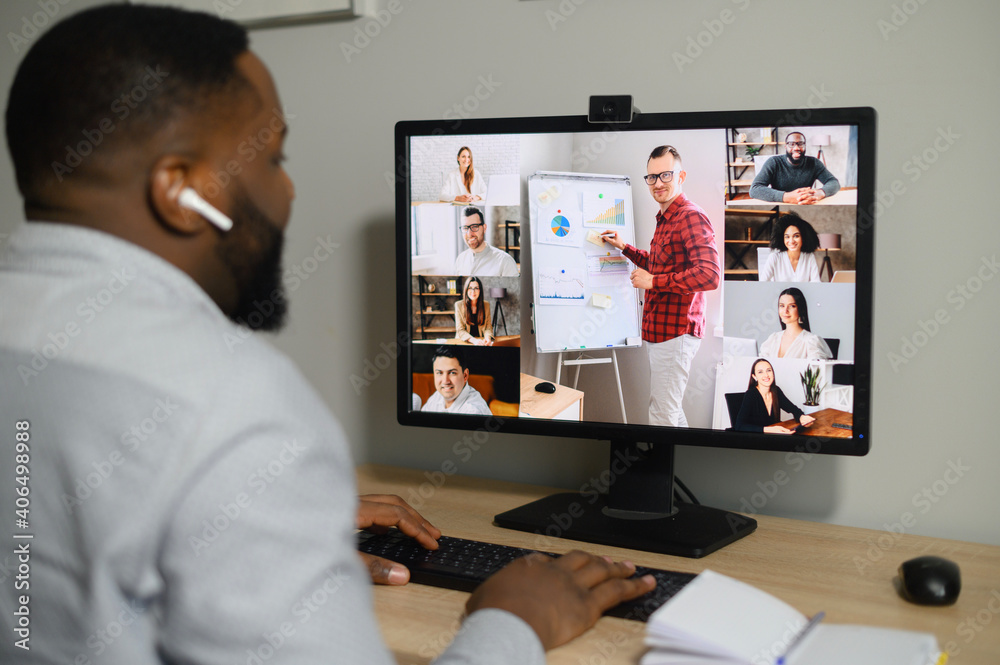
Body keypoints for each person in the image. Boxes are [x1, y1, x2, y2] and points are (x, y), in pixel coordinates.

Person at [0, 6, 654, 665]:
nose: (286, 191)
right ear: (181, 189)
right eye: (271, 157)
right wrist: (513, 620)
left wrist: (248, 518)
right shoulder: (233, 406)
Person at [602, 145, 721, 427]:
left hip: (676, 332)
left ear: (681, 176)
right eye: (652, 177)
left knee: (661, 415)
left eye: (666, 175)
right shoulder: (666, 218)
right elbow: (660, 265)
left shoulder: (690, 215)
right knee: (670, 411)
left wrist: (653, 282)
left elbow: (709, 275)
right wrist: (625, 248)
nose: (658, 183)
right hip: (660, 332)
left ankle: (660, 469)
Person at [749, 132, 841, 204]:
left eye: (800, 144)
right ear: (785, 147)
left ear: (805, 146)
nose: (796, 148)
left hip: (806, 206)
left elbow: (833, 182)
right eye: (791, 144)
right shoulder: (773, 162)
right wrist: (787, 197)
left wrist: (820, 193)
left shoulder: (814, 163)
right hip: (780, 206)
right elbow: (755, 189)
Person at [734, 359, 816, 434]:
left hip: (773, 437)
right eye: (760, 372)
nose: (766, 375)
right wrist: (769, 429)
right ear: (754, 377)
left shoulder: (776, 391)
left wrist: (802, 417)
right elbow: (739, 426)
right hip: (756, 439)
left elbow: (793, 409)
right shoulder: (751, 394)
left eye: (769, 370)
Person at [759, 288, 833, 359]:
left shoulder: (811, 341)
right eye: (782, 306)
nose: (785, 311)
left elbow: (816, 370)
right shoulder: (773, 339)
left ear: (800, 309)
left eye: (792, 306)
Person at [421, 347, 493, 415]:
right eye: (439, 373)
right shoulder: (437, 396)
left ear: (465, 375)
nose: (445, 381)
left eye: (452, 373)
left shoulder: (473, 411)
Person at [453, 206, 519, 276]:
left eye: (474, 227)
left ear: (484, 228)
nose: (469, 234)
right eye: (465, 228)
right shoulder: (460, 260)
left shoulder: (505, 261)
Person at [759, 212, 822, 282]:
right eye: (787, 237)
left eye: (796, 236)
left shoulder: (809, 257)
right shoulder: (774, 258)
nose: (791, 241)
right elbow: (762, 284)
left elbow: (816, 283)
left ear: (804, 237)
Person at [455, 276, 494, 345]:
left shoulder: (486, 305)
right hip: (465, 342)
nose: (473, 291)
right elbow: (460, 330)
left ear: (480, 290)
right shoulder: (458, 305)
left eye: (476, 288)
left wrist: (488, 338)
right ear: (466, 290)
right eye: (470, 288)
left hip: (481, 342)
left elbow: (488, 327)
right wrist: (474, 340)